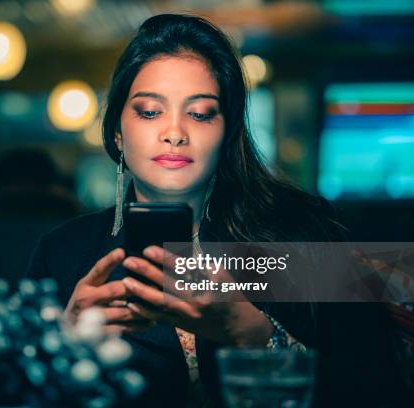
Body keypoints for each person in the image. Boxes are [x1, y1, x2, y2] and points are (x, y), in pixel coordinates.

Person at [27, 14, 410, 407]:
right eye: (149, 111)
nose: (174, 132)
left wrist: (255, 333)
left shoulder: (303, 233)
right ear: (118, 132)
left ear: (226, 132)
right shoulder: (63, 253)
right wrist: (62, 346)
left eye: (199, 113)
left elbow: (377, 390)